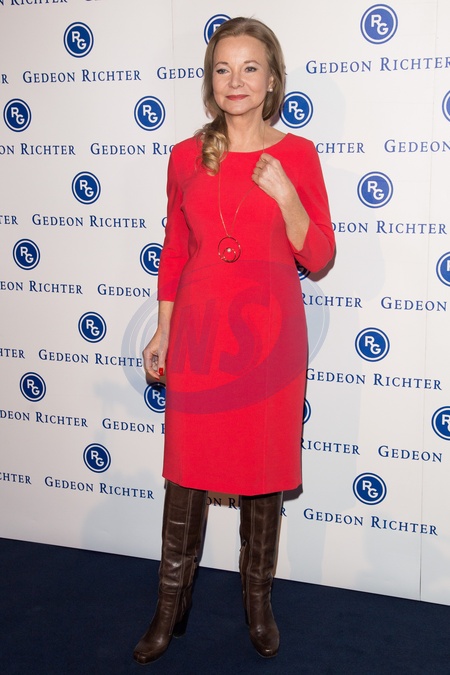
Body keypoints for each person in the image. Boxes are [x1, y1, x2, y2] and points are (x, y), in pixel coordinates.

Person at [133, 16, 335, 664]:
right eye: (224, 68)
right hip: (199, 332)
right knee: (186, 470)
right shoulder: (185, 156)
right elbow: (174, 250)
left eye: (251, 68)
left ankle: (258, 603)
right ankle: (170, 605)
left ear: (272, 79)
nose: (236, 80)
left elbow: (320, 255)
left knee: (263, 470)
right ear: (210, 80)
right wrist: (163, 330)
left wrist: (287, 198)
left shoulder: (297, 155)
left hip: (270, 340)